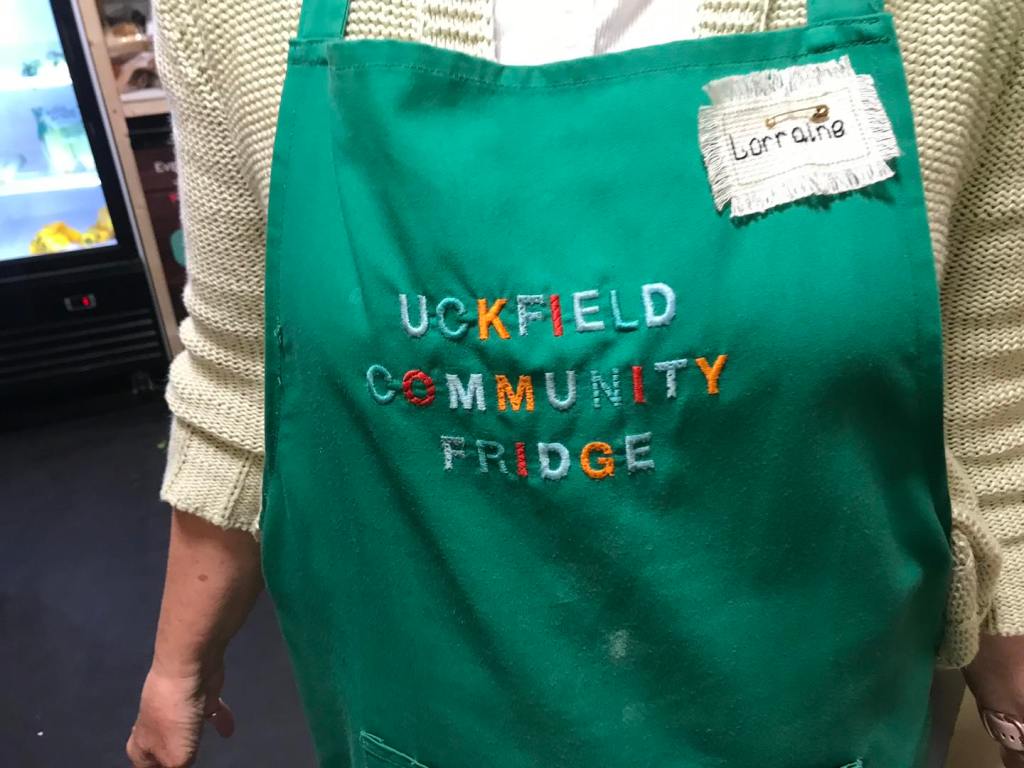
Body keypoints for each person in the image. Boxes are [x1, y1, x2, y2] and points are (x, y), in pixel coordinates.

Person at [127, 1, 1024, 766]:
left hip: (819, 722)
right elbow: (245, 368)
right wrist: (178, 666)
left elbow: (987, 381)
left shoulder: (953, 18)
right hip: (434, 727)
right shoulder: (235, 15)